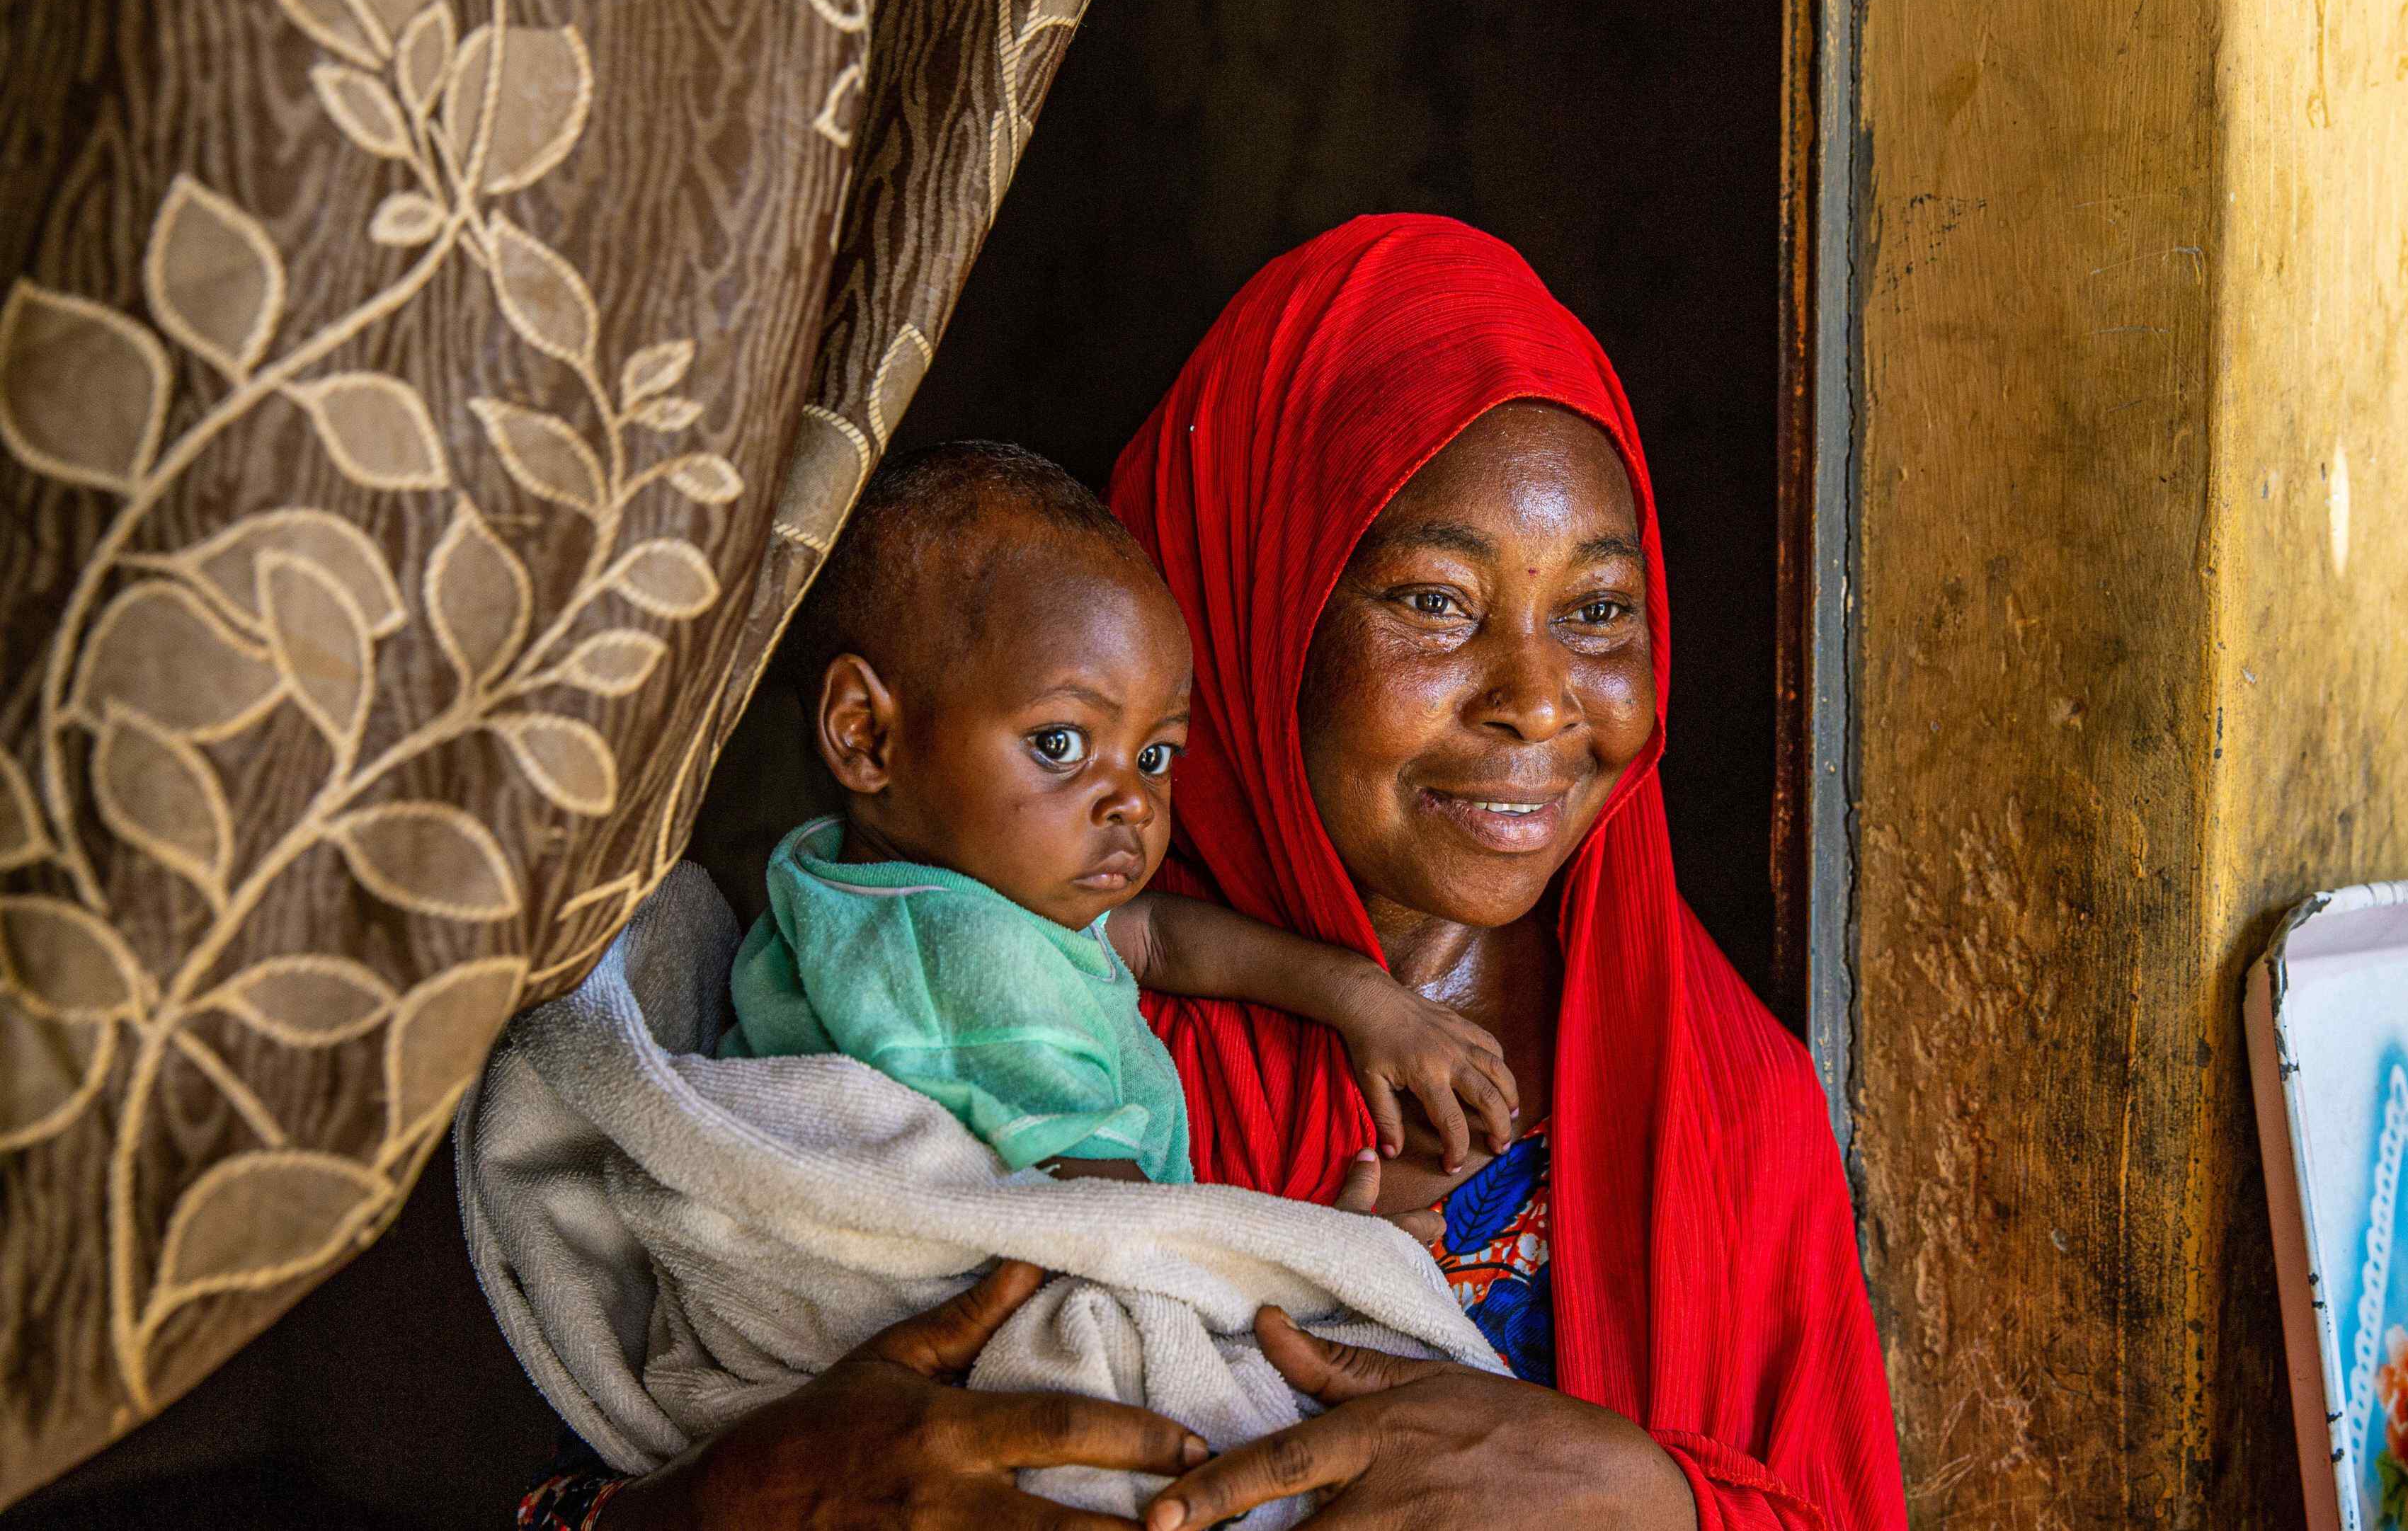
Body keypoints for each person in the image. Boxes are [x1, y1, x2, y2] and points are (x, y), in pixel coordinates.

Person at [523, 214, 1905, 1530]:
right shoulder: (1010, 990)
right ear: (1257, 601)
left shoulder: (1720, 1109)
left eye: (1598, 610)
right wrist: (721, 1508)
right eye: (1434, 599)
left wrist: (1646, 1500)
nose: (1538, 702)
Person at [719, 439, 1517, 1184]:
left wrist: (1364, 1000)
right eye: (1060, 743)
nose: (1134, 801)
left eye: (1155, 755)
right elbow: (1104, 1229)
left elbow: (1158, 937)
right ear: (865, 733)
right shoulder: (964, 965)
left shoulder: (883, 882)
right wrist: (1304, 1257)